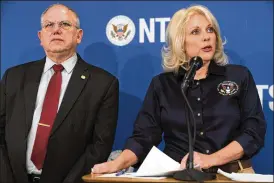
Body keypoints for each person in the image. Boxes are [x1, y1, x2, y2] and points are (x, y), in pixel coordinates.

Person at [92, 5, 266, 175]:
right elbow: (143, 137)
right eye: (195, 32)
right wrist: (117, 164)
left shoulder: (238, 76)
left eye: (210, 30)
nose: (206, 37)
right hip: (181, 177)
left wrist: (210, 159)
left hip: (232, 175)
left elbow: (253, 131)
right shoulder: (162, 85)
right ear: (180, 42)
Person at [0, 3, 119, 183]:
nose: (56, 30)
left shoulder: (103, 84)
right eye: (49, 25)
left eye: (64, 24)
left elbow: (99, 146)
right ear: (41, 37)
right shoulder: (13, 77)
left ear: (79, 36)